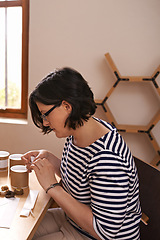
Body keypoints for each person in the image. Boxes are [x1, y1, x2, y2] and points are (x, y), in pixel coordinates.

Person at [22, 67, 141, 240]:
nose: (45, 123)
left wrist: (52, 187)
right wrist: (49, 157)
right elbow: (81, 179)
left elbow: (104, 231)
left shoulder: (108, 158)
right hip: (73, 221)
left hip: (93, 234)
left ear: (66, 106)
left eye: (45, 115)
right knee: (18, 231)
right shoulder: (80, 131)